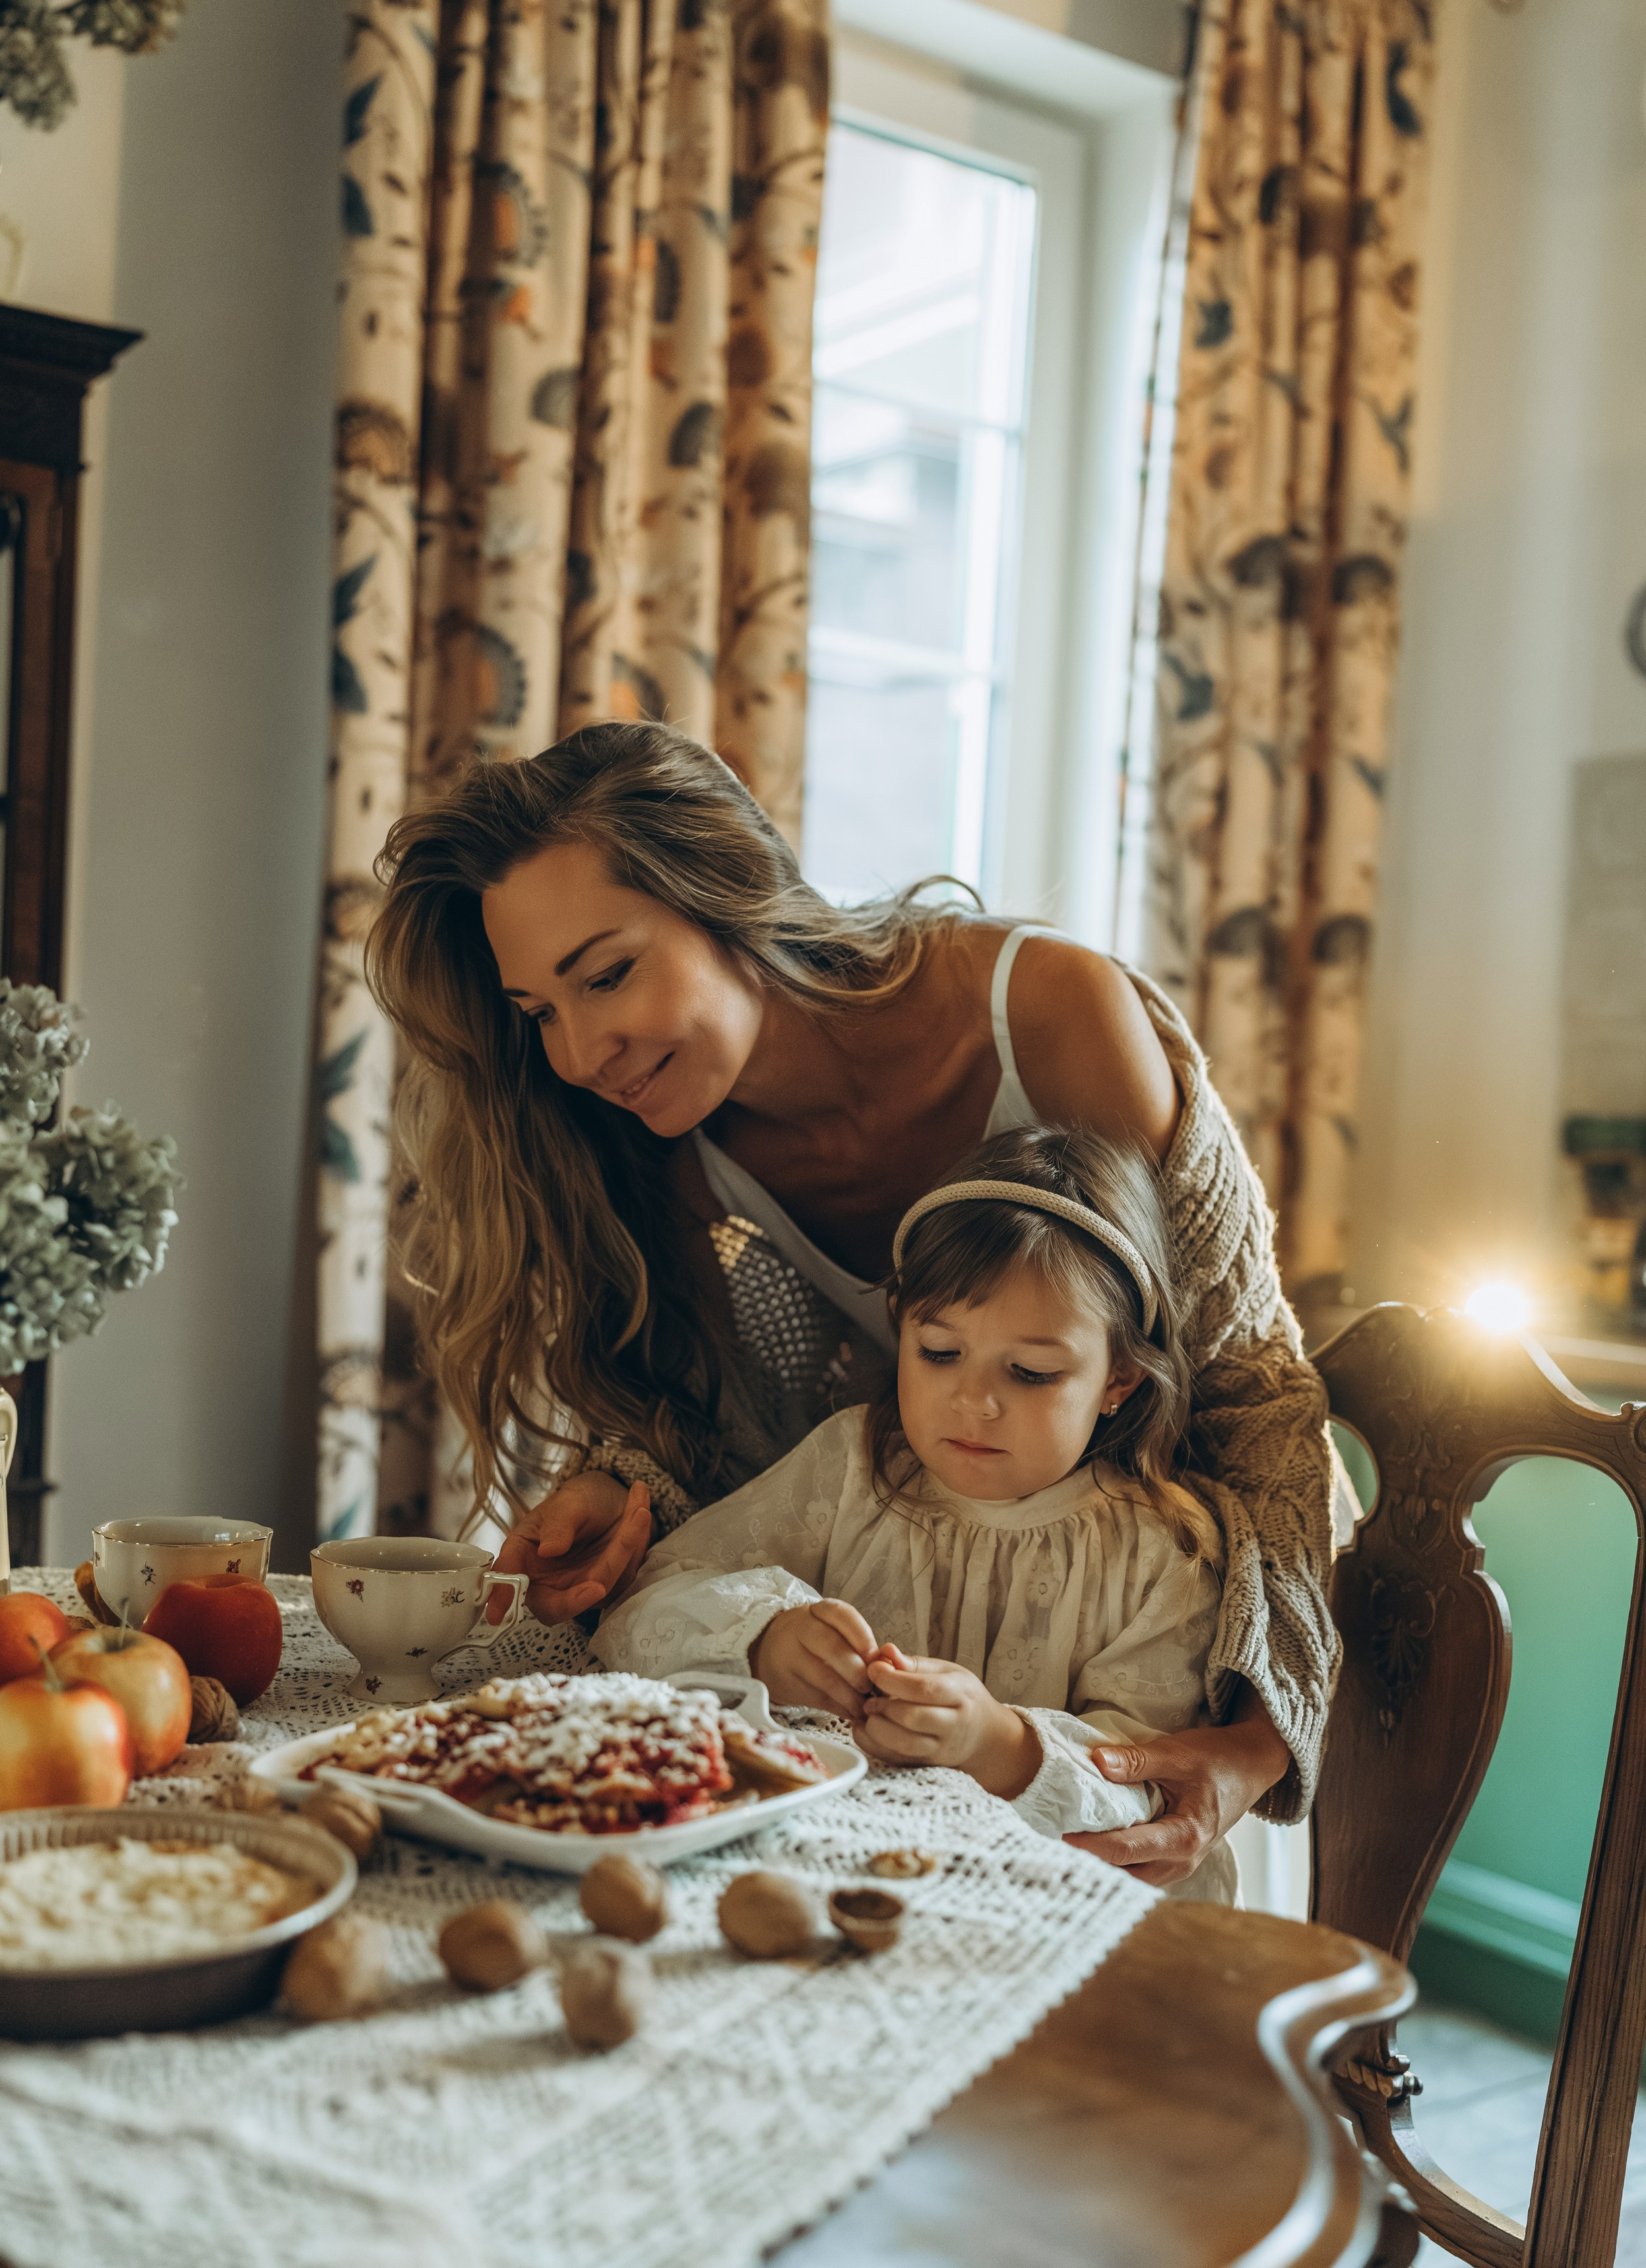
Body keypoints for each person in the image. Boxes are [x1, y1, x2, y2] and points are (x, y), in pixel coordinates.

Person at [365, 720, 1339, 1886]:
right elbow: (741, 1445)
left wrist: (1254, 1740)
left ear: (727, 892)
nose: (578, 1055)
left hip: (1138, 1671)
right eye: (539, 1013)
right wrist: (631, 1480)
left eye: (608, 974)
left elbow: (1249, 1392)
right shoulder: (659, 1146)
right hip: (872, 1751)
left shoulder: (1052, 1019)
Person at [594, 1127, 1239, 1901]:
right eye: (938, 1352)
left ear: (1120, 1381)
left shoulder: (1161, 1552)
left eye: (1031, 1372)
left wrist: (997, 1745)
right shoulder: (851, 1468)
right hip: (831, 1881)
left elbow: (1152, 1802)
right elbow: (643, 1610)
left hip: (1035, 1919)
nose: (973, 1401)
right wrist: (763, 1639)